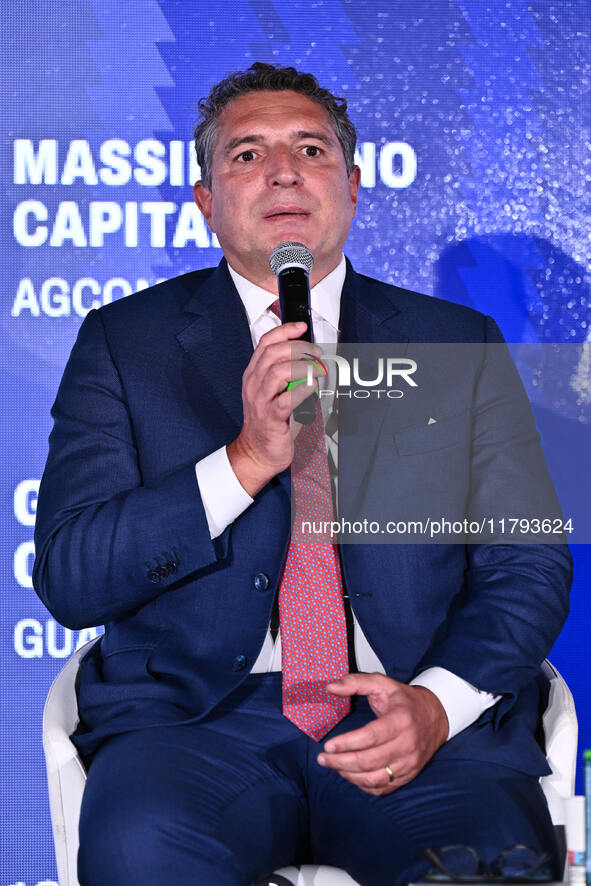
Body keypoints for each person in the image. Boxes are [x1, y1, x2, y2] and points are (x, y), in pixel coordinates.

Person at [33, 63, 572, 886]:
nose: (282, 169)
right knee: (141, 858)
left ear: (352, 188)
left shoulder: (453, 343)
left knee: (486, 870)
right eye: (247, 155)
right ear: (206, 202)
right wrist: (245, 459)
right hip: (191, 730)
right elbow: (72, 579)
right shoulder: (122, 343)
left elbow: (527, 564)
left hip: (416, 717)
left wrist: (437, 703)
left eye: (309, 149)